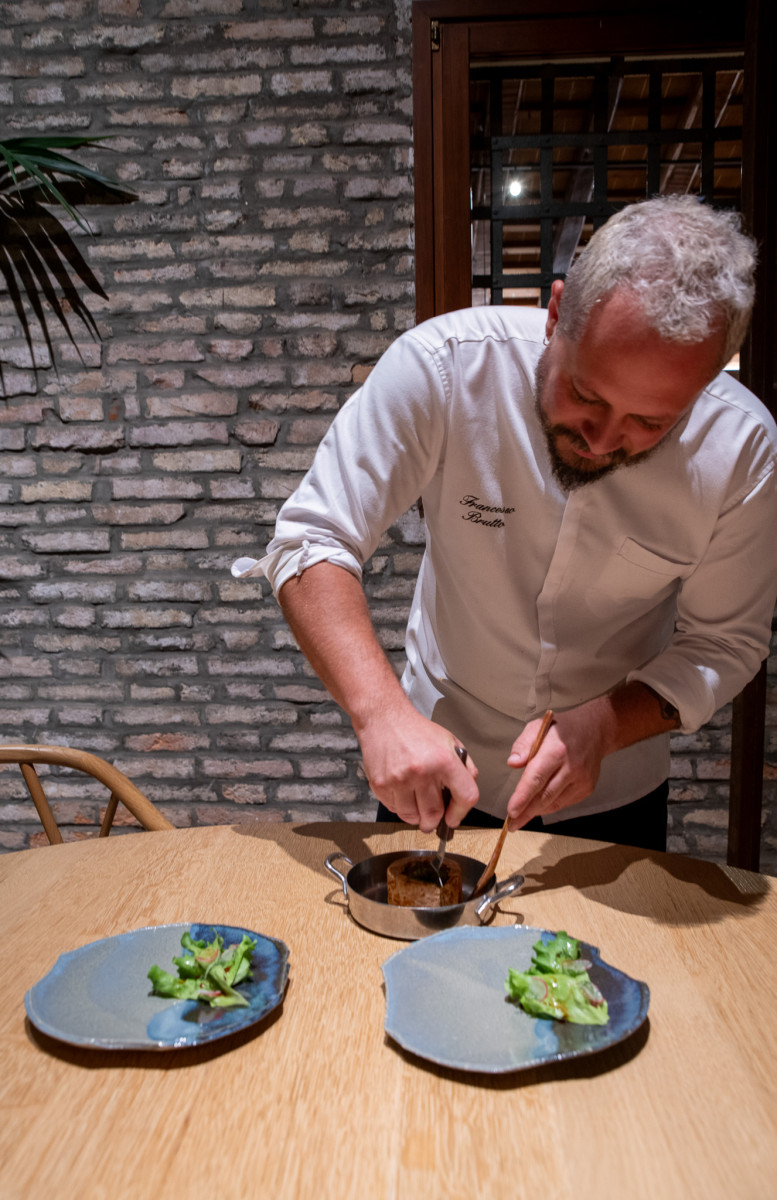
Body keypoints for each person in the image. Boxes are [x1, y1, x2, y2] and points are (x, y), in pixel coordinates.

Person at [232, 196, 777, 852]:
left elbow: (724, 644)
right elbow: (312, 536)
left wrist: (602, 727)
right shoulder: (446, 367)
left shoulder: (742, 449)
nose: (604, 441)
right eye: (586, 395)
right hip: (438, 770)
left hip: (613, 786)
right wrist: (379, 714)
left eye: (650, 423)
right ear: (554, 317)